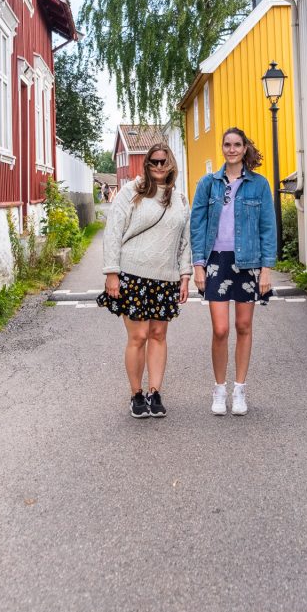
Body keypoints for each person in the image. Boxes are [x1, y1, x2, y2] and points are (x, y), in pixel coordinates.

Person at [97, 144, 191, 419]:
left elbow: (185, 242)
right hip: (133, 275)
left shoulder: (180, 199)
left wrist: (184, 276)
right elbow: (113, 232)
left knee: (159, 335)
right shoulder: (131, 193)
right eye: (154, 162)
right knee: (138, 336)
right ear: (146, 164)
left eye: (164, 162)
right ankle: (136, 394)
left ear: (171, 164)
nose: (159, 167)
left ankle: (155, 391)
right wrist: (111, 273)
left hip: (166, 278)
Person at [190, 127, 275, 416]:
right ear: (222, 148)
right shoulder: (208, 184)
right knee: (220, 329)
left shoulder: (259, 185)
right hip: (216, 261)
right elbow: (197, 225)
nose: (232, 149)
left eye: (237, 144)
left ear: (244, 148)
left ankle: (239, 390)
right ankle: (219, 389)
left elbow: (267, 228)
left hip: (249, 261)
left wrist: (266, 270)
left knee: (243, 327)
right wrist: (198, 265)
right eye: (227, 144)